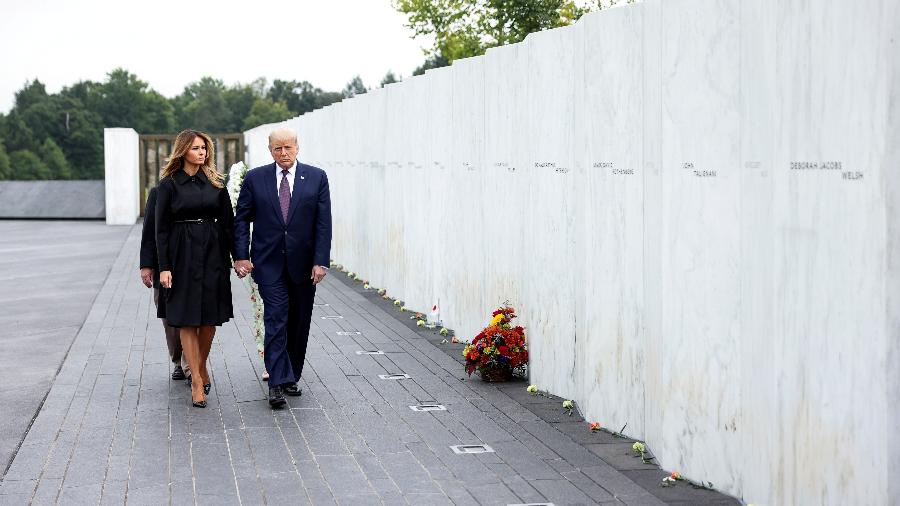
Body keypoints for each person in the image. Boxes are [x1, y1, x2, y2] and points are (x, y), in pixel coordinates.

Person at [233, 128, 332, 408]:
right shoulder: (256, 179)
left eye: (288, 147)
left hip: (303, 265)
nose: (283, 153)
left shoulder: (316, 178)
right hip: (268, 264)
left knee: (298, 322)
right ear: (270, 150)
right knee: (276, 318)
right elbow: (241, 220)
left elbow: (323, 224)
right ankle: (276, 382)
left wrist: (320, 260)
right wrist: (241, 255)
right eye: (277, 149)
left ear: (297, 147)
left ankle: (291, 375)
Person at [156, 129, 235, 408]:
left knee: (209, 319)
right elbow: (161, 230)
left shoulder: (216, 183)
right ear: (183, 151)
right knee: (187, 318)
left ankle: (199, 365)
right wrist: (163, 267)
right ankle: (197, 382)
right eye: (195, 148)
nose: (201, 152)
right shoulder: (168, 186)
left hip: (213, 253)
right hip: (181, 254)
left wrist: (238, 257)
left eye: (204, 148)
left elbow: (229, 225)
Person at [139, 185, 189, 381]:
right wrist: (146, 265)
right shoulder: (158, 192)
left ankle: (189, 363)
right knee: (169, 317)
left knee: (193, 315)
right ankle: (177, 359)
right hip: (163, 263)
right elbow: (149, 230)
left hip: (192, 261)